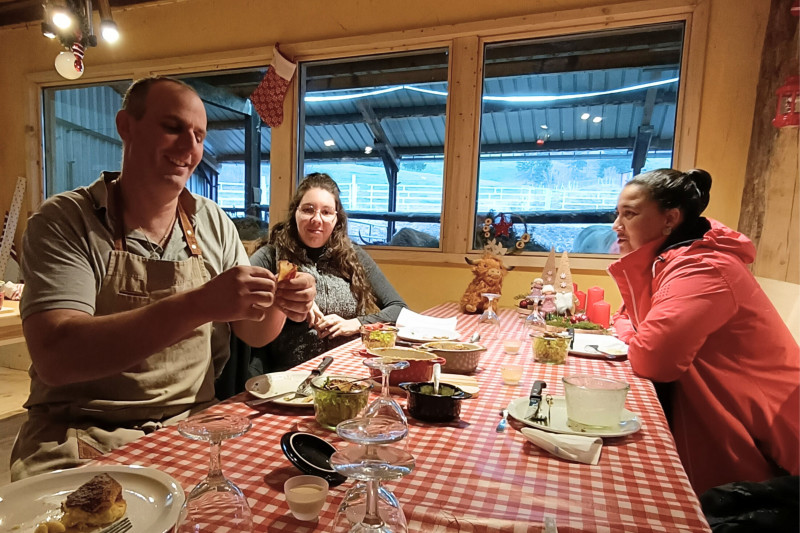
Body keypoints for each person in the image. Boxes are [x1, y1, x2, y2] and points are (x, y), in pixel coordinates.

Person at [11, 77, 316, 480]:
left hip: (193, 428)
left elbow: (253, 333)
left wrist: (279, 302)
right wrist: (199, 303)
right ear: (126, 126)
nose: (189, 148)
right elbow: (57, 357)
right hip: (81, 434)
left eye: (199, 135)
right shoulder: (66, 221)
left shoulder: (213, 222)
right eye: (172, 127)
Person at [608, 168, 799, 495]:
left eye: (630, 214)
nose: (616, 225)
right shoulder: (673, 261)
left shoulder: (703, 267)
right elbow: (631, 320)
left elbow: (654, 358)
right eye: (617, 213)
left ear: (670, 218)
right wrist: (636, 332)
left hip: (766, 440)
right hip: (724, 412)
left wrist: (633, 333)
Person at [247, 173, 407, 375]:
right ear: (295, 213)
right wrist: (287, 296)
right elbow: (238, 302)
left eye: (326, 212)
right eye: (308, 210)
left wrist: (356, 324)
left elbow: (400, 309)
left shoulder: (353, 256)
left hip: (351, 370)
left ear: (336, 218)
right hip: (291, 375)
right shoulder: (270, 255)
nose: (316, 219)